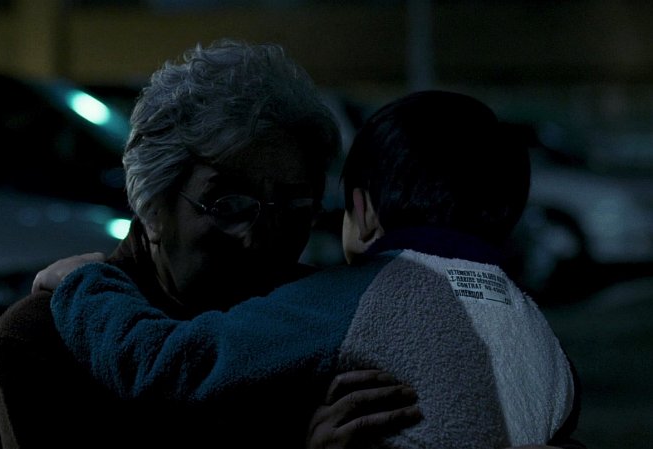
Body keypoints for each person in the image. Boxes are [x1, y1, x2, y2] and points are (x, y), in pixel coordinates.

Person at [48, 90, 585, 448]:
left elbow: (165, 365)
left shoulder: (352, 297)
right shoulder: (539, 331)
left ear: (364, 210)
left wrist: (84, 285)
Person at [0, 39, 421, 449]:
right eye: (228, 204)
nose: (260, 237)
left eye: (292, 205)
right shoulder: (45, 338)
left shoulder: (320, 323)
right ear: (153, 208)